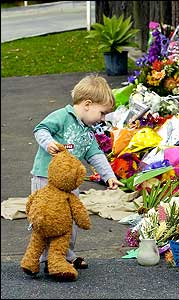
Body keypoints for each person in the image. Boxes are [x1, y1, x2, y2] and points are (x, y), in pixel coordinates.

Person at [30, 74, 124, 271]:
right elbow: (41, 129)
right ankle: (45, 258)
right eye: (102, 113)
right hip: (45, 178)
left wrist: (109, 176)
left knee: (69, 220)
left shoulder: (87, 132)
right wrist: (49, 144)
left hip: (69, 184)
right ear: (87, 104)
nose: (103, 119)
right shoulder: (62, 117)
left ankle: (64, 254)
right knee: (47, 218)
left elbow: (96, 154)